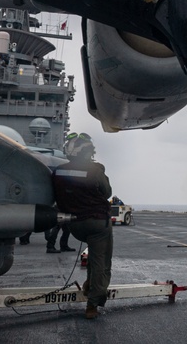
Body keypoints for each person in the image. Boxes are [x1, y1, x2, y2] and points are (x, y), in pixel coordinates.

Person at [53, 132, 114, 320]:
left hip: (74, 225)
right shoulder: (95, 170)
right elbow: (107, 192)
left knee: (94, 262)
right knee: (101, 263)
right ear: (88, 152)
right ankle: (92, 305)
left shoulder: (58, 171)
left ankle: (89, 283)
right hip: (97, 224)